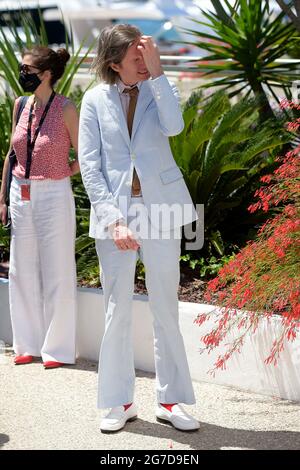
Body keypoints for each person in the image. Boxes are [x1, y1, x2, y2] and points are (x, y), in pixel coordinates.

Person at [79, 24, 200, 432]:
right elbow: (91, 167)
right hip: (115, 212)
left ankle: (172, 400)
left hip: (161, 208)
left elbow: (175, 126)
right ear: (115, 63)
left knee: (166, 305)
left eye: (146, 53)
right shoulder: (93, 100)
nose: (144, 61)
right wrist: (114, 221)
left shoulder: (158, 87)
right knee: (118, 309)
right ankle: (119, 401)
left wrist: (159, 71)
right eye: (137, 56)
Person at [0, 46, 80, 369]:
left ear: (46, 74)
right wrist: (3, 198)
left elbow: (84, 156)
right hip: (21, 192)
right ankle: (26, 344)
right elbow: (11, 155)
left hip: (54, 193)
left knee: (57, 269)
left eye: (28, 69)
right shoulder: (21, 106)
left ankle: (57, 349)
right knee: (21, 270)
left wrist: (64, 173)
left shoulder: (66, 109)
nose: (22, 74)